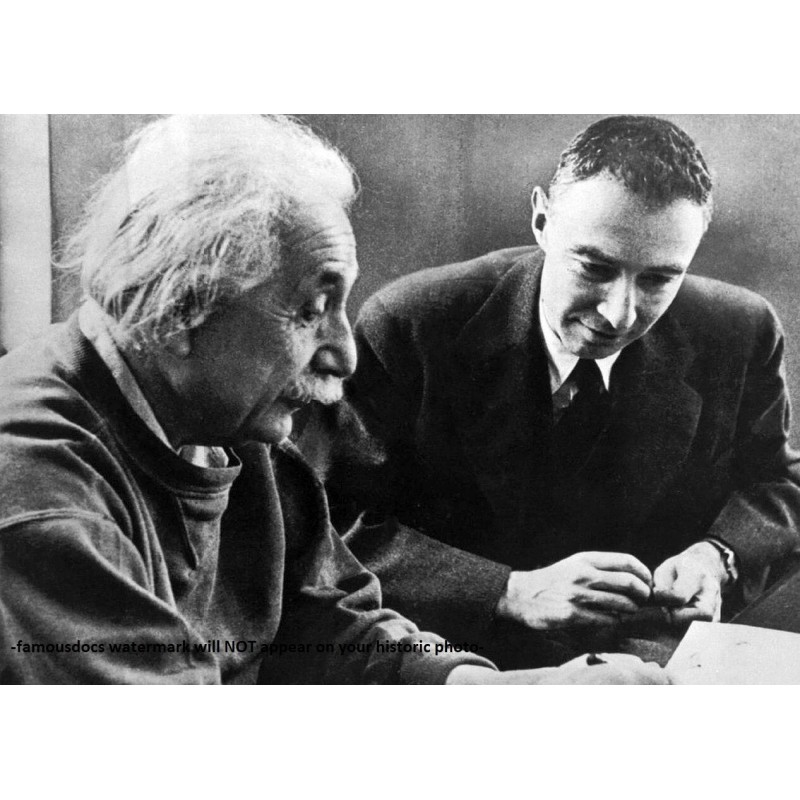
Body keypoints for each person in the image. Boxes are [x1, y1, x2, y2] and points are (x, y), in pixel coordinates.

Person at [0, 114, 668, 684]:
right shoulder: (39, 490)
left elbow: (332, 624)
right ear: (181, 309)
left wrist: (506, 691)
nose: (344, 355)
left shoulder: (228, 426)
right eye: (310, 310)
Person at [303, 115, 800, 668]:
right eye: (595, 267)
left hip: (650, 665)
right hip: (456, 659)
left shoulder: (740, 330)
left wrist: (718, 556)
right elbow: (326, 523)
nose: (620, 314)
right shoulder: (412, 323)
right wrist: (507, 590)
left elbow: (778, 481)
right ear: (542, 220)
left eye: (659, 279)